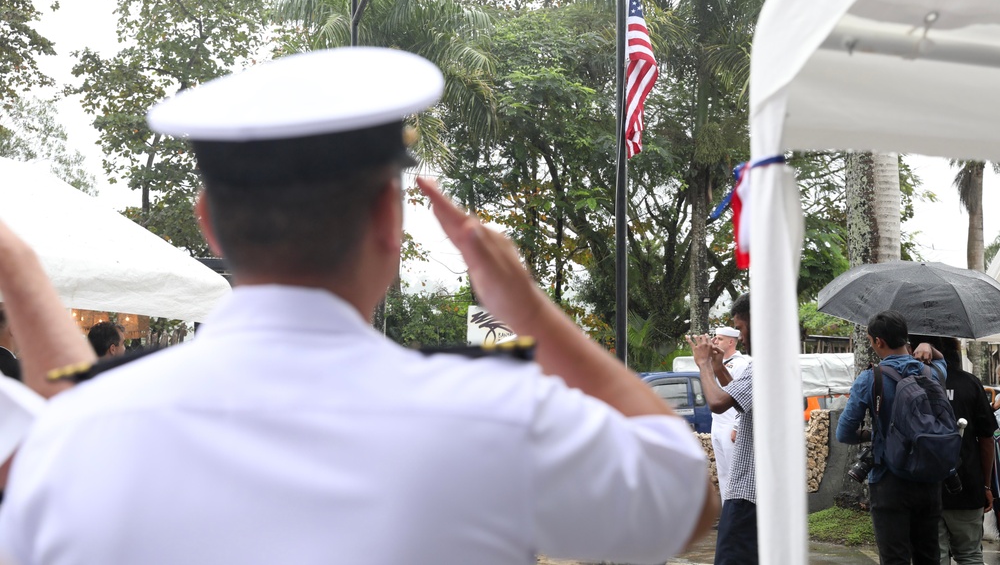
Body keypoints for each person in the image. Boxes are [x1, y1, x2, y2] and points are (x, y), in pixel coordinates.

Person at [0, 48, 717, 565]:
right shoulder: (496, 415)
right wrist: (530, 310)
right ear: (389, 219)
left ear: (208, 221)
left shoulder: (68, 438)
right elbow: (687, 500)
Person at [836, 311, 948, 565]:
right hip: (929, 478)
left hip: (889, 479)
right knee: (929, 556)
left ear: (878, 342)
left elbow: (843, 432)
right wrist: (929, 347)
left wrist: (874, 433)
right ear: (904, 338)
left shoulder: (870, 378)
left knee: (894, 558)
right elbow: (943, 361)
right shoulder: (933, 373)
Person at [912, 334, 997, 565]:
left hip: (923, 486)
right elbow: (987, 437)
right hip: (967, 486)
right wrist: (986, 485)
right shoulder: (969, 383)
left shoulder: (910, 383)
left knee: (935, 557)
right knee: (970, 555)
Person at [688, 292, 757, 565]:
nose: (741, 335)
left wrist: (704, 365)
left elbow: (718, 402)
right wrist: (717, 367)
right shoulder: (775, 361)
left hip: (749, 492)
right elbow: (738, 395)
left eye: (740, 328)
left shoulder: (760, 365)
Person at [708, 325, 749, 507]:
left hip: (731, 423)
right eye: (715, 338)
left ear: (731, 342)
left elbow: (743, 397)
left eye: (720, 339)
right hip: (717, 423)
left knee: (734, 472)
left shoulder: (741, 364)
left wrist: (737, 427)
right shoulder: (717, 362)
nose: (715, 341)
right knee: (723, 472)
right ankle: (727, 512)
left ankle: (736, 511)